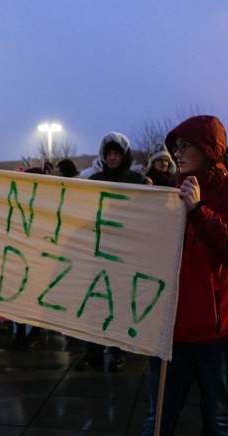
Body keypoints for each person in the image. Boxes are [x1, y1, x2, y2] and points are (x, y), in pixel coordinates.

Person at [119, 116, 228, 436]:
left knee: (217, 417)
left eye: (185, 146)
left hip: (218, 334)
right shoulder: (166, 196)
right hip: (171, 332)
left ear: (208, 150)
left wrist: (198, 210)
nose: (176, 154)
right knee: (157, 417)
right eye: (174, 147)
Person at [76, 132, 148, 373]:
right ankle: (93, 352)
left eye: (117, 153)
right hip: (98, 252)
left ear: (124, 155)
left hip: (126, 254)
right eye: (109, 153)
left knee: (120, 303)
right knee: (95, 304)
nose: (113, 157)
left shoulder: (137, 181)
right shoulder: (95, 180)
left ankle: (118, 352)